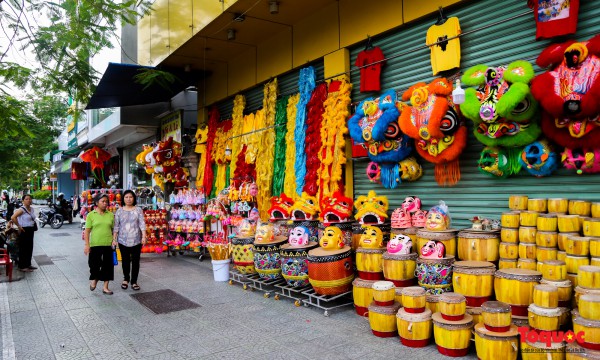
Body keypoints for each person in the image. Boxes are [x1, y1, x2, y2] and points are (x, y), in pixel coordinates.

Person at [113, 190, 146, 291]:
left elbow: (142, 224)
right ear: (123, 198)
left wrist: (144, 236)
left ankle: (134, 281)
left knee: (136, 261)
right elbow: (116, 226)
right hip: (123, 240)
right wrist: (114, 239)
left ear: (134, 198)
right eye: (126, 197)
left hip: (136, 240)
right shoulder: (119, 211)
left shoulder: (138, 210)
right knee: (125, 260)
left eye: (130, 197)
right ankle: (126, 279)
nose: (128, 199)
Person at [84, 193, 115, 295]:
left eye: (106, 201)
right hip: (95, 244)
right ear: (97, 203)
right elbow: (87, 231)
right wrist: (87, 245)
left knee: (108, 266)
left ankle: (105, 287)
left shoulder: (110, 215)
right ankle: (95, 279)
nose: (105, 203)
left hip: (108, 244)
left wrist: (114, 239)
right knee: (94, 265)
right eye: (103, 201)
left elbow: (114, 229)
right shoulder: (91, 215)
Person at [10, 194, 37, 272]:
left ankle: (28, 264)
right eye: (26, 199)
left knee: (29, 247)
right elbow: (13, 217)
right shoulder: (22, 209)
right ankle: (22, 266)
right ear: (23, 201)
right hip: (24, 230)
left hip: (30, 230)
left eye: (30, 199)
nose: (29, 200)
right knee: (24, 248)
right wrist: (19, 226)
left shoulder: (31, 209)